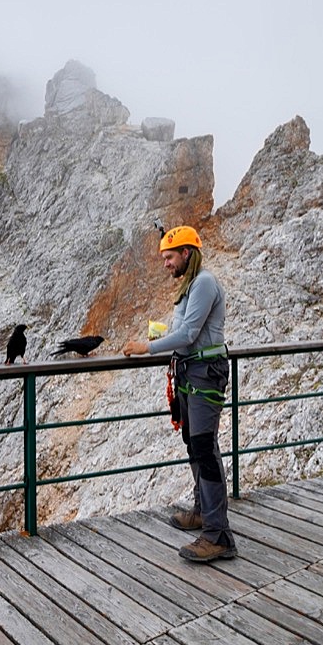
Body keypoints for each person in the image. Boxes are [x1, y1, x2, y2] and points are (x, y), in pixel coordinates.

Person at [121, 225, 237, 562]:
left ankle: (219, 536)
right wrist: (159, 337)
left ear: (187, 253)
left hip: (204, 374)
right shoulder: (189, 286)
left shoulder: (203, 283)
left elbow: (187, 334)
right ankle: (203, 512)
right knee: (194, 444)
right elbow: (182, 331)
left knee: (204, 447)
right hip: (191, 373)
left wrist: (148, 346)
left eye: (169, 257)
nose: (166, 263)